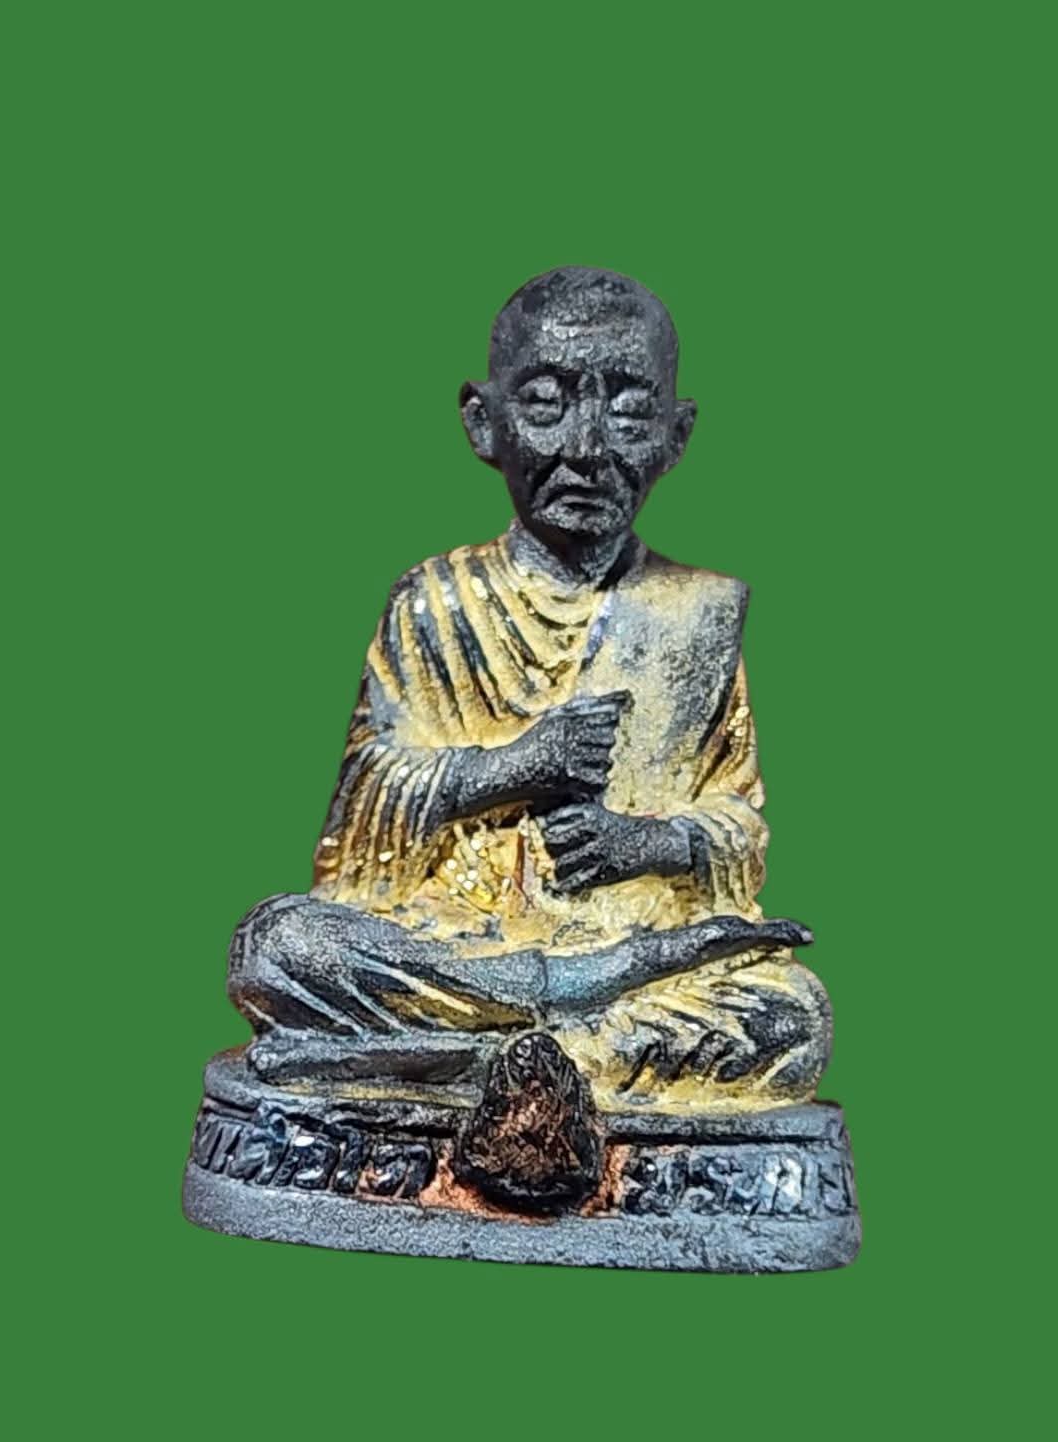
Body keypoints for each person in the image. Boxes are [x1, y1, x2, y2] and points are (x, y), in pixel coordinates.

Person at [228, 267, 831, 1113]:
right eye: (547, 402)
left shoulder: (697, 614)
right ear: (484, 422)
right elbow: (362, 823)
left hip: (636, 938)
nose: (587, 447)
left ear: (676, 433)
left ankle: (459, 1062)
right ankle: (555, 1035)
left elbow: (737, 824)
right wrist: (513, 765)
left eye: (629, 410)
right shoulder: (436, 602)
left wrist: (645, 844)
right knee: (279, 945)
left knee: (792, 1015)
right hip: (460, 941)